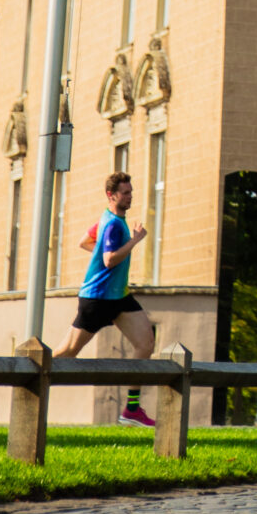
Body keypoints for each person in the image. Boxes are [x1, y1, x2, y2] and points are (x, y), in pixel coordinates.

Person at [59, 170, 155, 422]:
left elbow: (84, 242)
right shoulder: (112, 224)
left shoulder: (108, 219)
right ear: (111, 195)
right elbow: (109, 259)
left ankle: (132, 410)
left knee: (146, 343)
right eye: (125, 193)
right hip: (98, 299)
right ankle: (26, 374)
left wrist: (109, 250)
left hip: (119, 297)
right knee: (68, 351)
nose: (130, 196)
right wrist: (135, 241)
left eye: (131, 192)